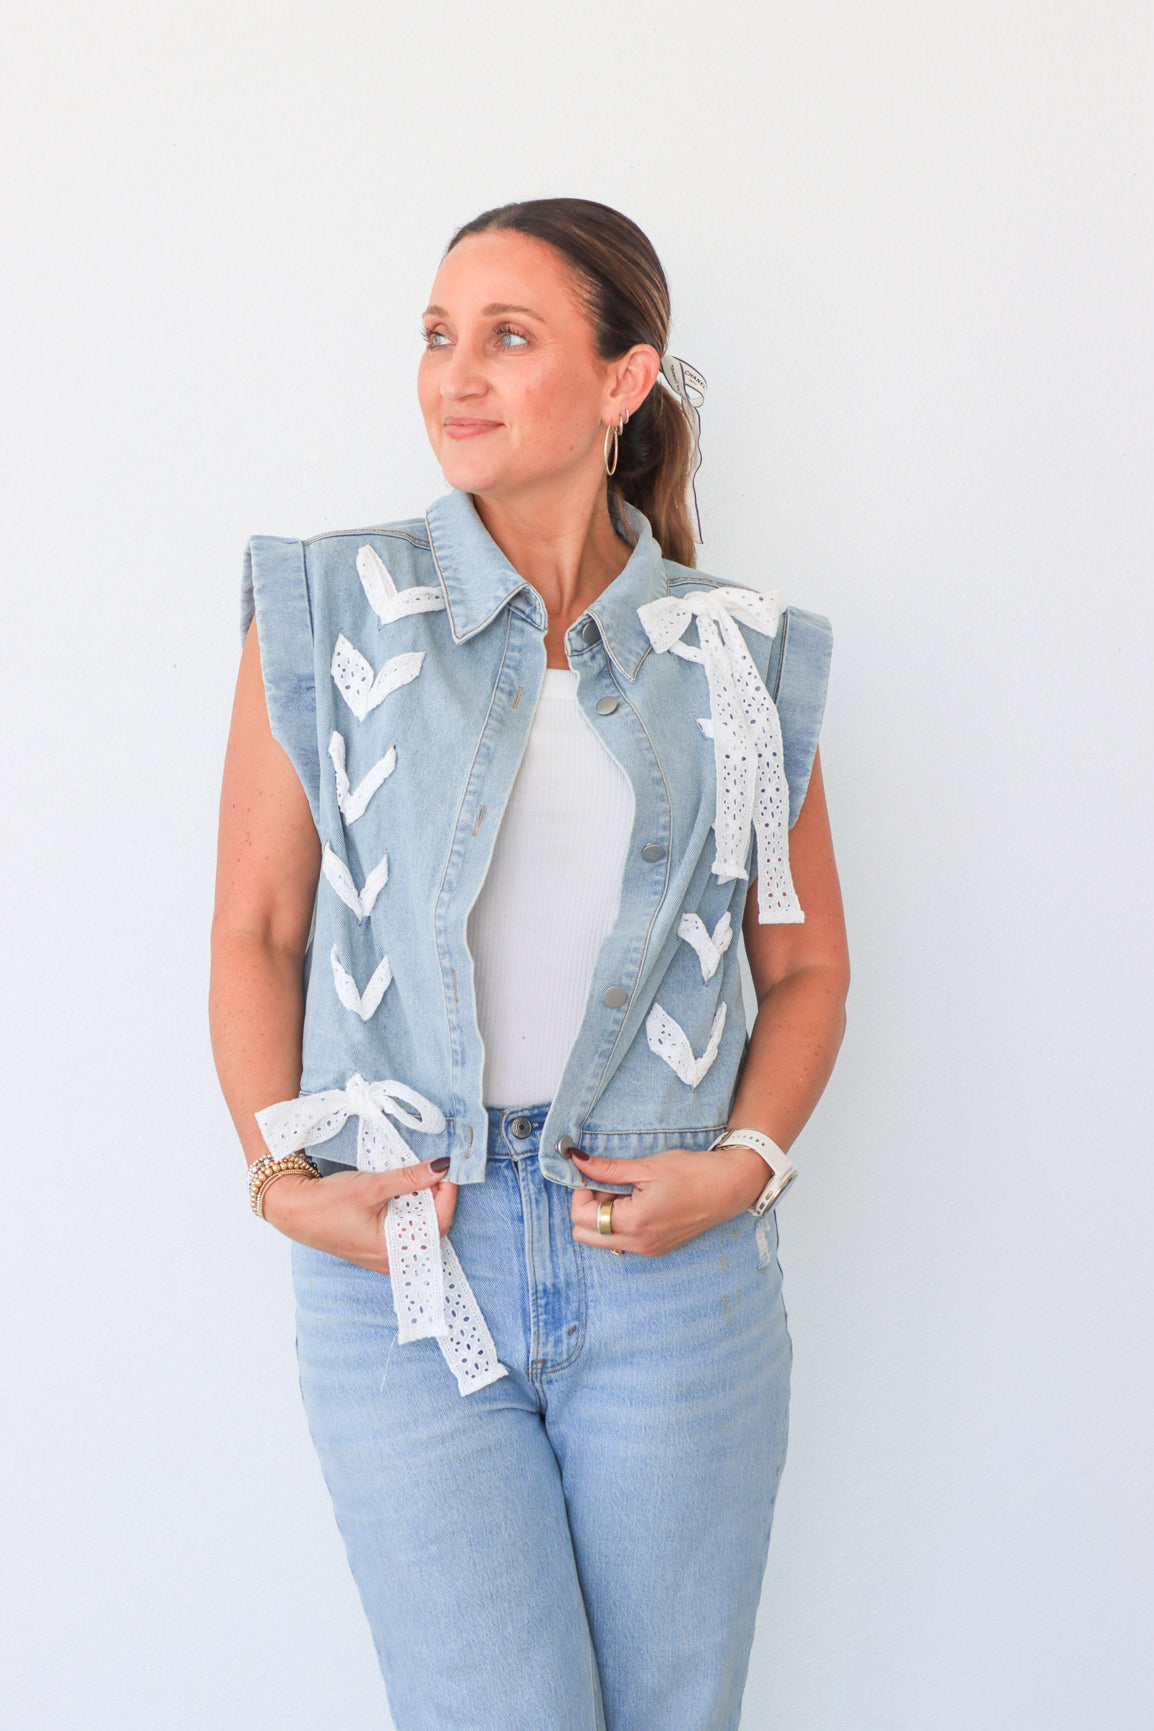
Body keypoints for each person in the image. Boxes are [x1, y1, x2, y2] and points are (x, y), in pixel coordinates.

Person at [210, 196, 850, 1731]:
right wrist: (281, 1181)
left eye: (508, 336)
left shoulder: (732, 654)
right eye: (437, 336)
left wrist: (745, 1165)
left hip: (669, 1258)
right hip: (403, 1248)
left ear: (626, 382)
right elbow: (259, 926)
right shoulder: (334, 607)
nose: (456, 375)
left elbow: (806, 962)